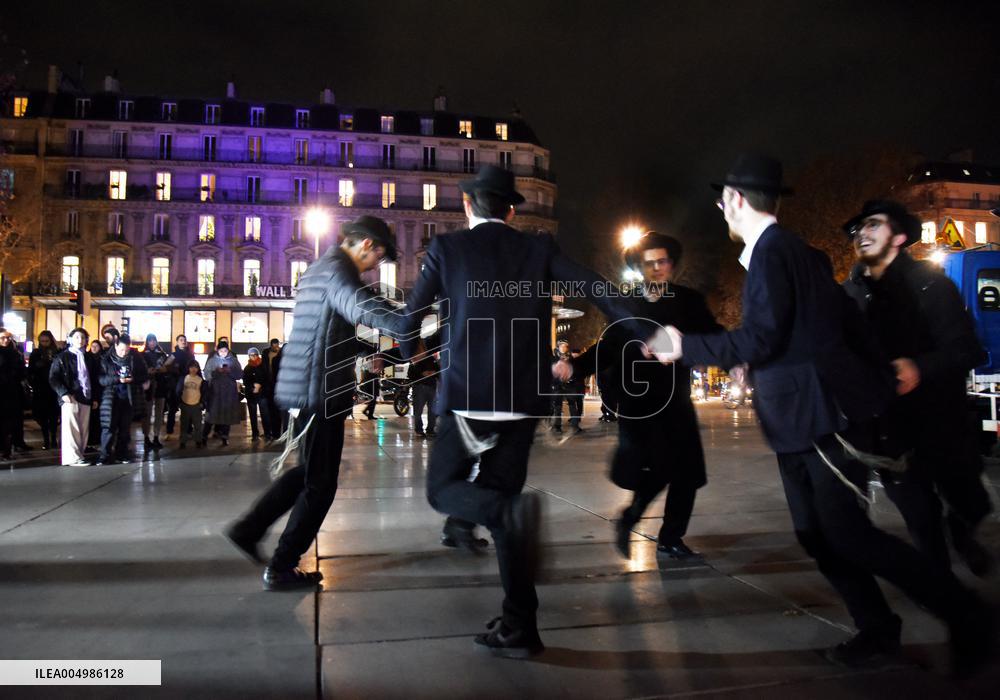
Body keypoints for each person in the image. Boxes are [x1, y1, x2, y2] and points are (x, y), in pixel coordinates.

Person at [654, 153, 994, 676]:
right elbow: (808, 330)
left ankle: (965, 615)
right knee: (817, 535)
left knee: (849, 535)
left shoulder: (775, 252)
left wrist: (686, 347)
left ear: (737, 200)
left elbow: (762, 336)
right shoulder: (790, 254)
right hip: (803, 422)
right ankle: (878, 627)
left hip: (821, 423)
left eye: (724, 199)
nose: (722, 208)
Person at [401, 165, 653, 658]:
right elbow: (597, 286)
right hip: (520, 401)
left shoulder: (447, 249)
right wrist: (648, 330)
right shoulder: (537, 249)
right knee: (504, 514)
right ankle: (520, 626)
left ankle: (504, 513)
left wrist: (408, 342)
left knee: (443, 491)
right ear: (512, 210)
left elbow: (412, 317)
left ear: (467, 206)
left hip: (467, 396)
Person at [225, 214, 411, 591]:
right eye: (379, 257)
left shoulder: (318, 270)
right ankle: (282, 564)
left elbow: (328, 327)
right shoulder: (339, 273)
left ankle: (249, 528)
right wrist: (410, 323)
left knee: (307, 472)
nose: (377, 265)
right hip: (320, 389)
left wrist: (362, 349)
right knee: (321, 485)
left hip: (307, 386)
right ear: (366, 245)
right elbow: (362, 308)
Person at [842, 200, 994, 576]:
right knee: (918, 513)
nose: (862, 233)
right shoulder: (850, 293)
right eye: (859, 228)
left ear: (900, 237)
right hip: (891, 428)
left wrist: (919, 367)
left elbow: (967, 350)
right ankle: (943, 588)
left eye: (874, 225)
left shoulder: (931, 284)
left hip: (942, 423)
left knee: (970, 501)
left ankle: (961, 530)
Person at [571, 231, 722, 560]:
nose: (657, 268)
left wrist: (737, 357)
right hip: (640, 404)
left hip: (678, 401)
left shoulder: (689, 302)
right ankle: (631, 517)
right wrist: (576, 367)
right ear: (640, 267)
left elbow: (714, 336)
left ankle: (671, 537)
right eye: (649, 262)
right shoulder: (628, 305)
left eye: (663, 261)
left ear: (671, 264)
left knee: (688, 475)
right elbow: (607, 347)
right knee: (658, 469)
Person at [49, 327, 98, 466]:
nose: (80, 340)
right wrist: (63, 393)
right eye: (77, 337)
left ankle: (80, 454)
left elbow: (93, 378)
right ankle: (72, 457)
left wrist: (95, 398)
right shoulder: (62, 357)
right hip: (70, 396)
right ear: (70, 339)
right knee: (71, 428)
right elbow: (53, 377)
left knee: (83, 427)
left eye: (83, 338)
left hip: (86, 396)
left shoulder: (88, 357)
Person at [97, 334, 148, 465]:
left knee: (125, 428)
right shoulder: (106, 359)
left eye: (126, 350)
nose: (124, 353)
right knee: (108, 428)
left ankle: (122, 453)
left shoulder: (135, 358)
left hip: (129, 397)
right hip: (111, 398)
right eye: (121, 350)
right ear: (115, 345)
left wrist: (134, 379)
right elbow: (101, 379)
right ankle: (105, 455)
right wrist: (116, 379)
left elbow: (144, 375)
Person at [203, 340, 242, 447]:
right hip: (215, 392)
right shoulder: (212, 360)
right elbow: (206, 375)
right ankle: (204, 436)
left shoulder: (233, 360)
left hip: (229, 393)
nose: (223, 353)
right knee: (211, 414)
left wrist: (230, 371)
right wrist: (216, 372)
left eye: (225, 351)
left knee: (227, 415)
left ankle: (225, 437)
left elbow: (239, 374)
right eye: (221, 351)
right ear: (217, 351)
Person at [28, 330, 60, 450]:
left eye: (46, 341)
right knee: (42, 416)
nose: (44, 343)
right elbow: (30, 371)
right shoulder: (36, 353)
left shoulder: (57, 353)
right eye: (42, 341)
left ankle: (52, 439)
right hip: (40, 389)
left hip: (53, 389)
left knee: (53, 416)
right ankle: (46, 439)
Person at [140, 333, 172, 452]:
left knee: (159, 413)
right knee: (147, 413)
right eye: (150, 341)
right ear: (147, 342)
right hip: (148, 387)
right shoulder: (142, 355)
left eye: (154, 341)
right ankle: (146, 437)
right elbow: (139, 370)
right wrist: (147, 371)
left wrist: (164, 369)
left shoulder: (162, 355)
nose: (152, 343)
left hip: (160, 386)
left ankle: (156, 436)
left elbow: (169, 369)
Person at [0, 329, 25, 460]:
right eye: (3, 338)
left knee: (9, 423)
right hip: (4, 390)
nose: (6, 340)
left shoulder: (15, 353)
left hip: (12, 392)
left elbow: (21, 371)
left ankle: (6, 450)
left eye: (8, 338)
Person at [550, 340, 584, 433]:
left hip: (569, 385)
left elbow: (575, 370)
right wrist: (553, 383)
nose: (563, 348)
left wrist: (572, 378)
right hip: (557, 385)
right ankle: (557, 427)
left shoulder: (571, 359)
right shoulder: (553, 359)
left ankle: (575, 426)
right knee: (557, 407)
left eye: (565, 346)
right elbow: (550, 373)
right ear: (558, 347)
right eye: (562, 346)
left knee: (573, 405)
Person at [164, 334, 194, 438]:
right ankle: (169, 431)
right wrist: (173, 370)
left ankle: (189, 430)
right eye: (181, 340)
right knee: (172, 408)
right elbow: (166, 366)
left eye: (184, 340)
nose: (183, 341)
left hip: (188, 383)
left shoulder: (190, 355)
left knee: (188, 408)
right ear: (177, 342)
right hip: (175, 383)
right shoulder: (174, 355)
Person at [408, 340, 439, 437]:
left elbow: (438, 371)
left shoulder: (431, 359)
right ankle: (419, 430)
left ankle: (430, 429)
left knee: (432, 411)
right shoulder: (414, 360)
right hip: (419, 387)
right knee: (418, 410)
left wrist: (433, 373)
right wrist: (423, 375)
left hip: (432, 387)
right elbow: (411, 375)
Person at [242, 347, 272, 442]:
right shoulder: (247, 368)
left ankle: (267, 433)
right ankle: (255, 434)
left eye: (255, 355)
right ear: (249, 356)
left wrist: (260, 386)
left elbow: (267, 379)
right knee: (253, 415)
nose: (253, 357)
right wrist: (252, 387)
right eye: (251, 355)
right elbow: (246, 381)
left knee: (265, 414)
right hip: (251, 395)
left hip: (262, 394)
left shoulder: (263, 366)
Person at [175, 360, 206, 449]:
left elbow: (204, 393)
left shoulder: (200, 380)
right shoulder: (184, 378)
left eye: (195, 367)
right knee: (184, 424)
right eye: (191, 367)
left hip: (196, 404)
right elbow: (178, 390)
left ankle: (198, 441)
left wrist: (202, 403)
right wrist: (179, 402)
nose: (193, 369)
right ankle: (183, 442)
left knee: (198, 424)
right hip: (185, 404)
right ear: (188, 368)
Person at [87, 340, 105, 448]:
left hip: (99, 390)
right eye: (92, 346)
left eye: (96, 346)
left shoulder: (102, 359)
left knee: (98, 417)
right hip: (90, 390)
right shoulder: (87, 358)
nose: (93, 348)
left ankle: (97, 439)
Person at [264, 338, 282, 439]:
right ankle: (273, 432)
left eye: (277, 345)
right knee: (272, 410)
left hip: (276, 384)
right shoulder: (267, 354)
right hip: (270, 384)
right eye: (274, 345)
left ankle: (276, 432)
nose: (275, 347)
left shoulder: (279, 356)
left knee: (276, 411)